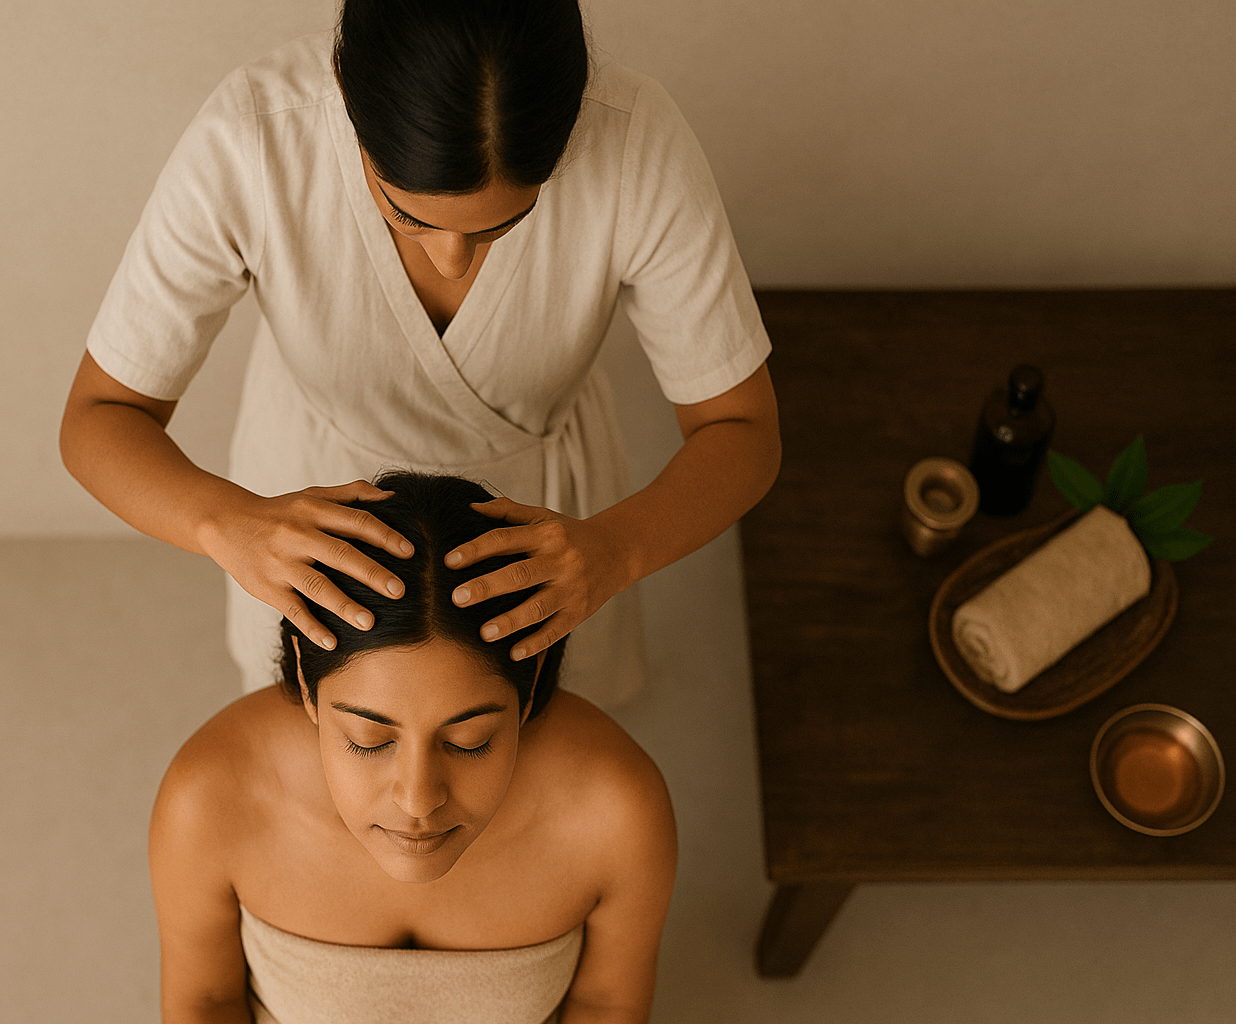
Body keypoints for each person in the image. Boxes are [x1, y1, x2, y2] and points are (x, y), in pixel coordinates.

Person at [60, 0, 780, 706]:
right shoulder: (252, 141)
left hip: (549, 531)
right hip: (311, 521)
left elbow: (742, 430)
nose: (453, 260)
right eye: (406, 214)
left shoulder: (636, 143)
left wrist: (613, 550)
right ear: (345, 90)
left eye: (506, 223)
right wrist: (228, 524)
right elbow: (100, 416)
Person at [149, 473, 677, 1024]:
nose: (418, 802)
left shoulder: (618, 811)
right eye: (368, 740)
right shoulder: (209, 798)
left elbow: (606, 1004)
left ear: (528, 685)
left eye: (468, 741)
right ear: (308, 682)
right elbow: (205, 1003)